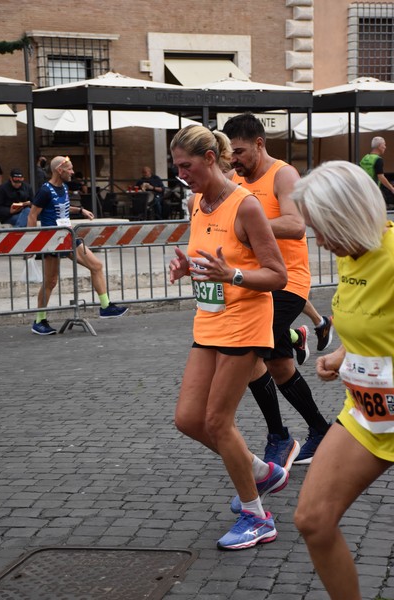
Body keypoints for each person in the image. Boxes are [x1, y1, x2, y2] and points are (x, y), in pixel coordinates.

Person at [169, 124, 289, 550]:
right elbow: (210, 261)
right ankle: (259, 469)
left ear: (209, 158)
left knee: (219, 422)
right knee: (188, 419)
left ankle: (257, 516)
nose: (182, 173)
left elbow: (278, 274)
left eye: (187, 165)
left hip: (246, 322)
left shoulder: (246, 205)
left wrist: (233, 274)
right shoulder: (197, 202)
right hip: (210, 320)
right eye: (177, 166)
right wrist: (190, 269)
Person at [292, 160, 394, 600]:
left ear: (346, 217)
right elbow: (372, 326)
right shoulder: (352, 257)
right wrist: (341, 355)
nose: (319, 240)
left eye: (321, 228)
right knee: (313, 520)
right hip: (369, 417)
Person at [223, 112, 330, 468]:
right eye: (229, 155)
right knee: (281, 363)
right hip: (254, 283)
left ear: (259, 143)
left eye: (238, 151)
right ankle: (319, 430)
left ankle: (279, 437)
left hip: (288, 279)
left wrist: (247, 224)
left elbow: (296, 225)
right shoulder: (235, 180)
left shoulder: (282, 174)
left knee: (252, 351)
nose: (234, 160)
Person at [27, 155, 128, 336]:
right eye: (70, 169)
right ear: (60, 170)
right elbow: (33, 215)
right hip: (52, 240)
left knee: (96, 265)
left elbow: (63, 207)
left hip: (68, 236)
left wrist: (80, 210)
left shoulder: (64, 188)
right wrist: (32, 242)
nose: (73, 172)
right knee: (50, 281)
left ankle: (105, 306)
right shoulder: (45, 190)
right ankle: (39, 321)